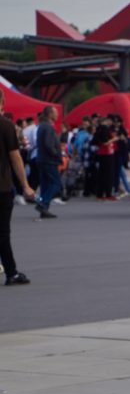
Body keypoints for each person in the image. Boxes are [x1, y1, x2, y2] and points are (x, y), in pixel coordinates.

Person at [0, 90, 35, 285]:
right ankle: (11, 273)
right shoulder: (5, 125)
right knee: (3, 232)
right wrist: (26, 185)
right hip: (2, 186)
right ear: (2, 101)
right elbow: (15, 157)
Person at [34, 106, 62, 219]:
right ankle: (42, 204)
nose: (57, 115)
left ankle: (44, 208)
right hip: (49, 160)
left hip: (41, 159)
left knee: (45, 185)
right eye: (55, 113)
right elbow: (49, 145)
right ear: (50, 114)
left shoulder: (41, 126)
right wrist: (57, 154)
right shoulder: (48, 127)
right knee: (56, 184)